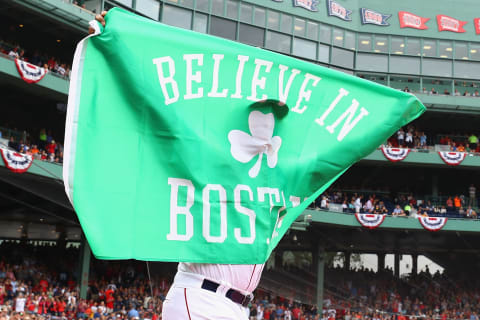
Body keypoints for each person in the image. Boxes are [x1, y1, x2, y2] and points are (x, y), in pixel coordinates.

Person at [91, 11, 263, 320]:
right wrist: (122, 42)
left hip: (237, 306)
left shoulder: (268, 179)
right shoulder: (205, 167)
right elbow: (160, 107)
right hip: (200, 296)